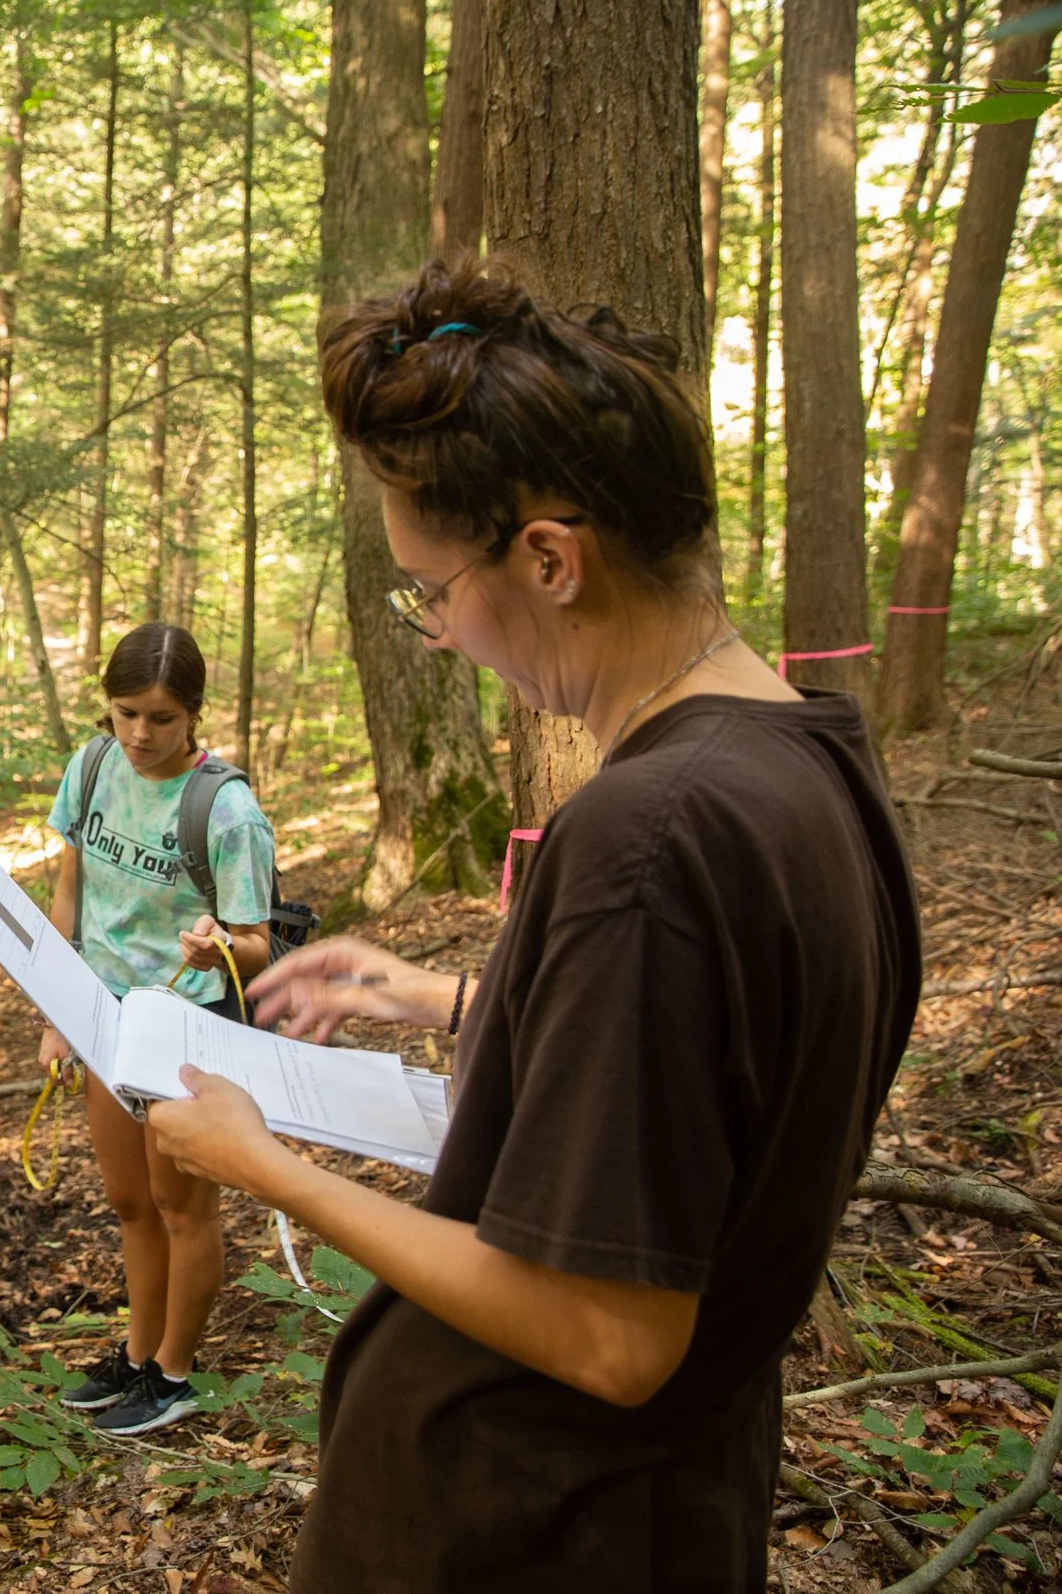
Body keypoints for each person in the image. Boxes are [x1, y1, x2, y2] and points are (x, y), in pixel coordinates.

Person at [148, 259, 919, 1590]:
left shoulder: (651, 836)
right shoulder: (808, 758)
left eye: (430, 591)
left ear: (551, 558)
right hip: (660, 1506)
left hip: (549, 1528)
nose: (440, 631)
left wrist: (264, 1162)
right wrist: (445, 999)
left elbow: (610, 1332)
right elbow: (720, 1067)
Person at [39, 621, 279, 1435]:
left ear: (193, 715)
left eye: (160, 718)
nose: (139, 734)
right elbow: (70, 890)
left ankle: (175, 1370)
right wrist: (58, 1016)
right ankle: (138, 1354)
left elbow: (255, 939)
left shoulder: (227, 809)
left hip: (184, 1025)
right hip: (103, 1014)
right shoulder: (93, 765)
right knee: (129, 1200)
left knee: (182, 1205)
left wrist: (217, 948)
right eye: (125, 712)